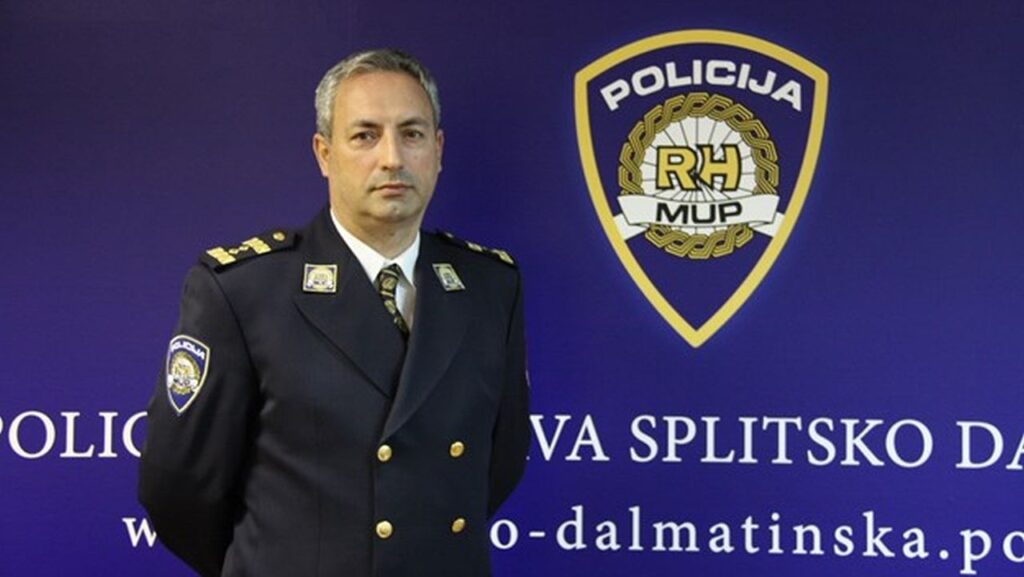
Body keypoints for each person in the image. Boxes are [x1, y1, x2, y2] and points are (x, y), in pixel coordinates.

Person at [138, 49, 530, 577]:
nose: (392, 157)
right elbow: (176, 486)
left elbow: (499, 463)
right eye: (365, 135)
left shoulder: (490, 286)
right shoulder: (244, 290)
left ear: (437, 150)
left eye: (412, 134)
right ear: (324, 153)